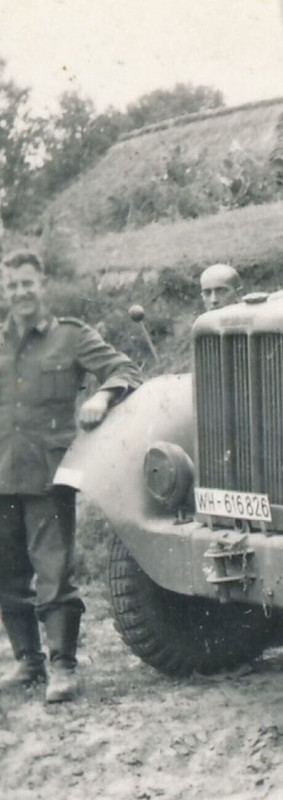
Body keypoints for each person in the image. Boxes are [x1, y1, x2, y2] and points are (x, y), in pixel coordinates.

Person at [0, 250, 142, 702]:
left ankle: (63, 666)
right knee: (6, 574)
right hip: (1, 473)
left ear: (42, 285)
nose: (20, 292)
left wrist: (101, 396)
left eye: (27, 283)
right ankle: (28, 661)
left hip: (49, 473)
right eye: (12, 285)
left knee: (53, 571)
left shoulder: (70, 337)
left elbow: (125, 369)